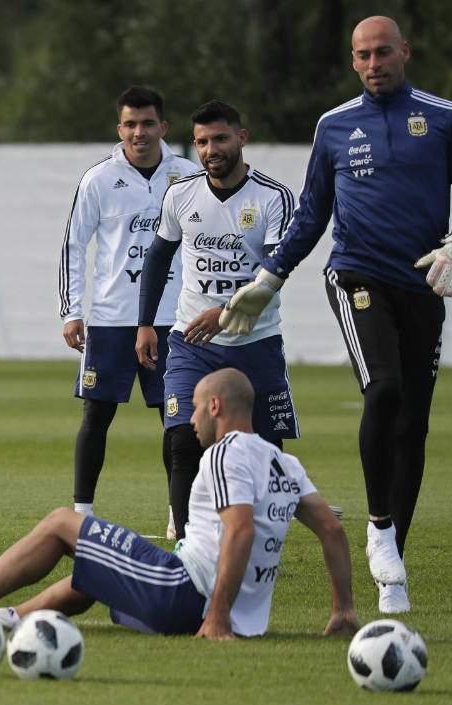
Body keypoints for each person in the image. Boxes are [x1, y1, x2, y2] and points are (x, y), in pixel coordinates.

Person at [220, 16, 452, 615]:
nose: (374, 63)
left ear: (405, 51)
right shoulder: (333, 126)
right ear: (352, 61)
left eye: (384, 52)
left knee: (414, 423)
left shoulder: (445, 118)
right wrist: (268, 276)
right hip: (355, 274)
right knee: (382, 392)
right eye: (363, 55)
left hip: (423, 280)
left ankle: (392, 561)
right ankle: (378, 526)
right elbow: (311, 214)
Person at [0, 369, 359, 641]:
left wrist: (217, 617)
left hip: (186, 596)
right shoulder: (284, 463)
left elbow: (239, 531)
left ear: (215, 406)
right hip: (213, 606)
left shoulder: (225, 453)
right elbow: (332, 531)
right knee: (96, 569)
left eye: (196, 408)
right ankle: (4, 621)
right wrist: (342, 610)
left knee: (62, 522)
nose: (191, 419)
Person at [135, 100, 299, 541]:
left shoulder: (273, 197)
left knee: (264, 446)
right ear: (194, 145)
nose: (212, 149)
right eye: (203, 141)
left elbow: (277, 271)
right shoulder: (180, 194)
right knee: (183, 437)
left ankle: (266, 534)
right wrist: (145, 323)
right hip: (191, 339)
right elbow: (157, 256)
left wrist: (226, 313)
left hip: (255, 341)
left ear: (241, 138)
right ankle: (189, 541)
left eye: (221, 138)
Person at [57, 86, 196, 536]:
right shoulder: (98, 179)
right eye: (131, 124)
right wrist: (71, 311)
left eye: (148, 123)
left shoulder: (188, 176)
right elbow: (74, 245)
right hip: (111, 319)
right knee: (96, 416)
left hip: (175, 316)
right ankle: (82, 513)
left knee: (177, 421)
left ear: (164, 127)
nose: (139, 132)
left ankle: (181, 515)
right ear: (119, 129)